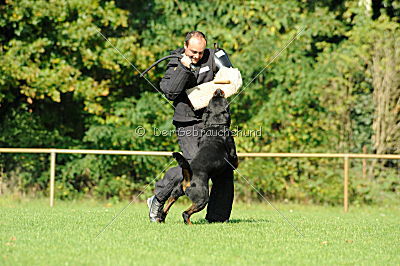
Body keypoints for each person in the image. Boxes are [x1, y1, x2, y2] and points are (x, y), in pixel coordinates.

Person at [147, 31, 234, 223]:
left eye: (201, 52)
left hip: (212, 122)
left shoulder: (213, 57)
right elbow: (170, 92)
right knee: (194, 164)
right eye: (193, 52)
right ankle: (158, 198)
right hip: (188, 122)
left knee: (224, 166)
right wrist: (184, 68)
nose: (197, 56)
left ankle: (218, 218)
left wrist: (227, 71)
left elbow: (232, 77)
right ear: (185, 47)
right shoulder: (175, 63)